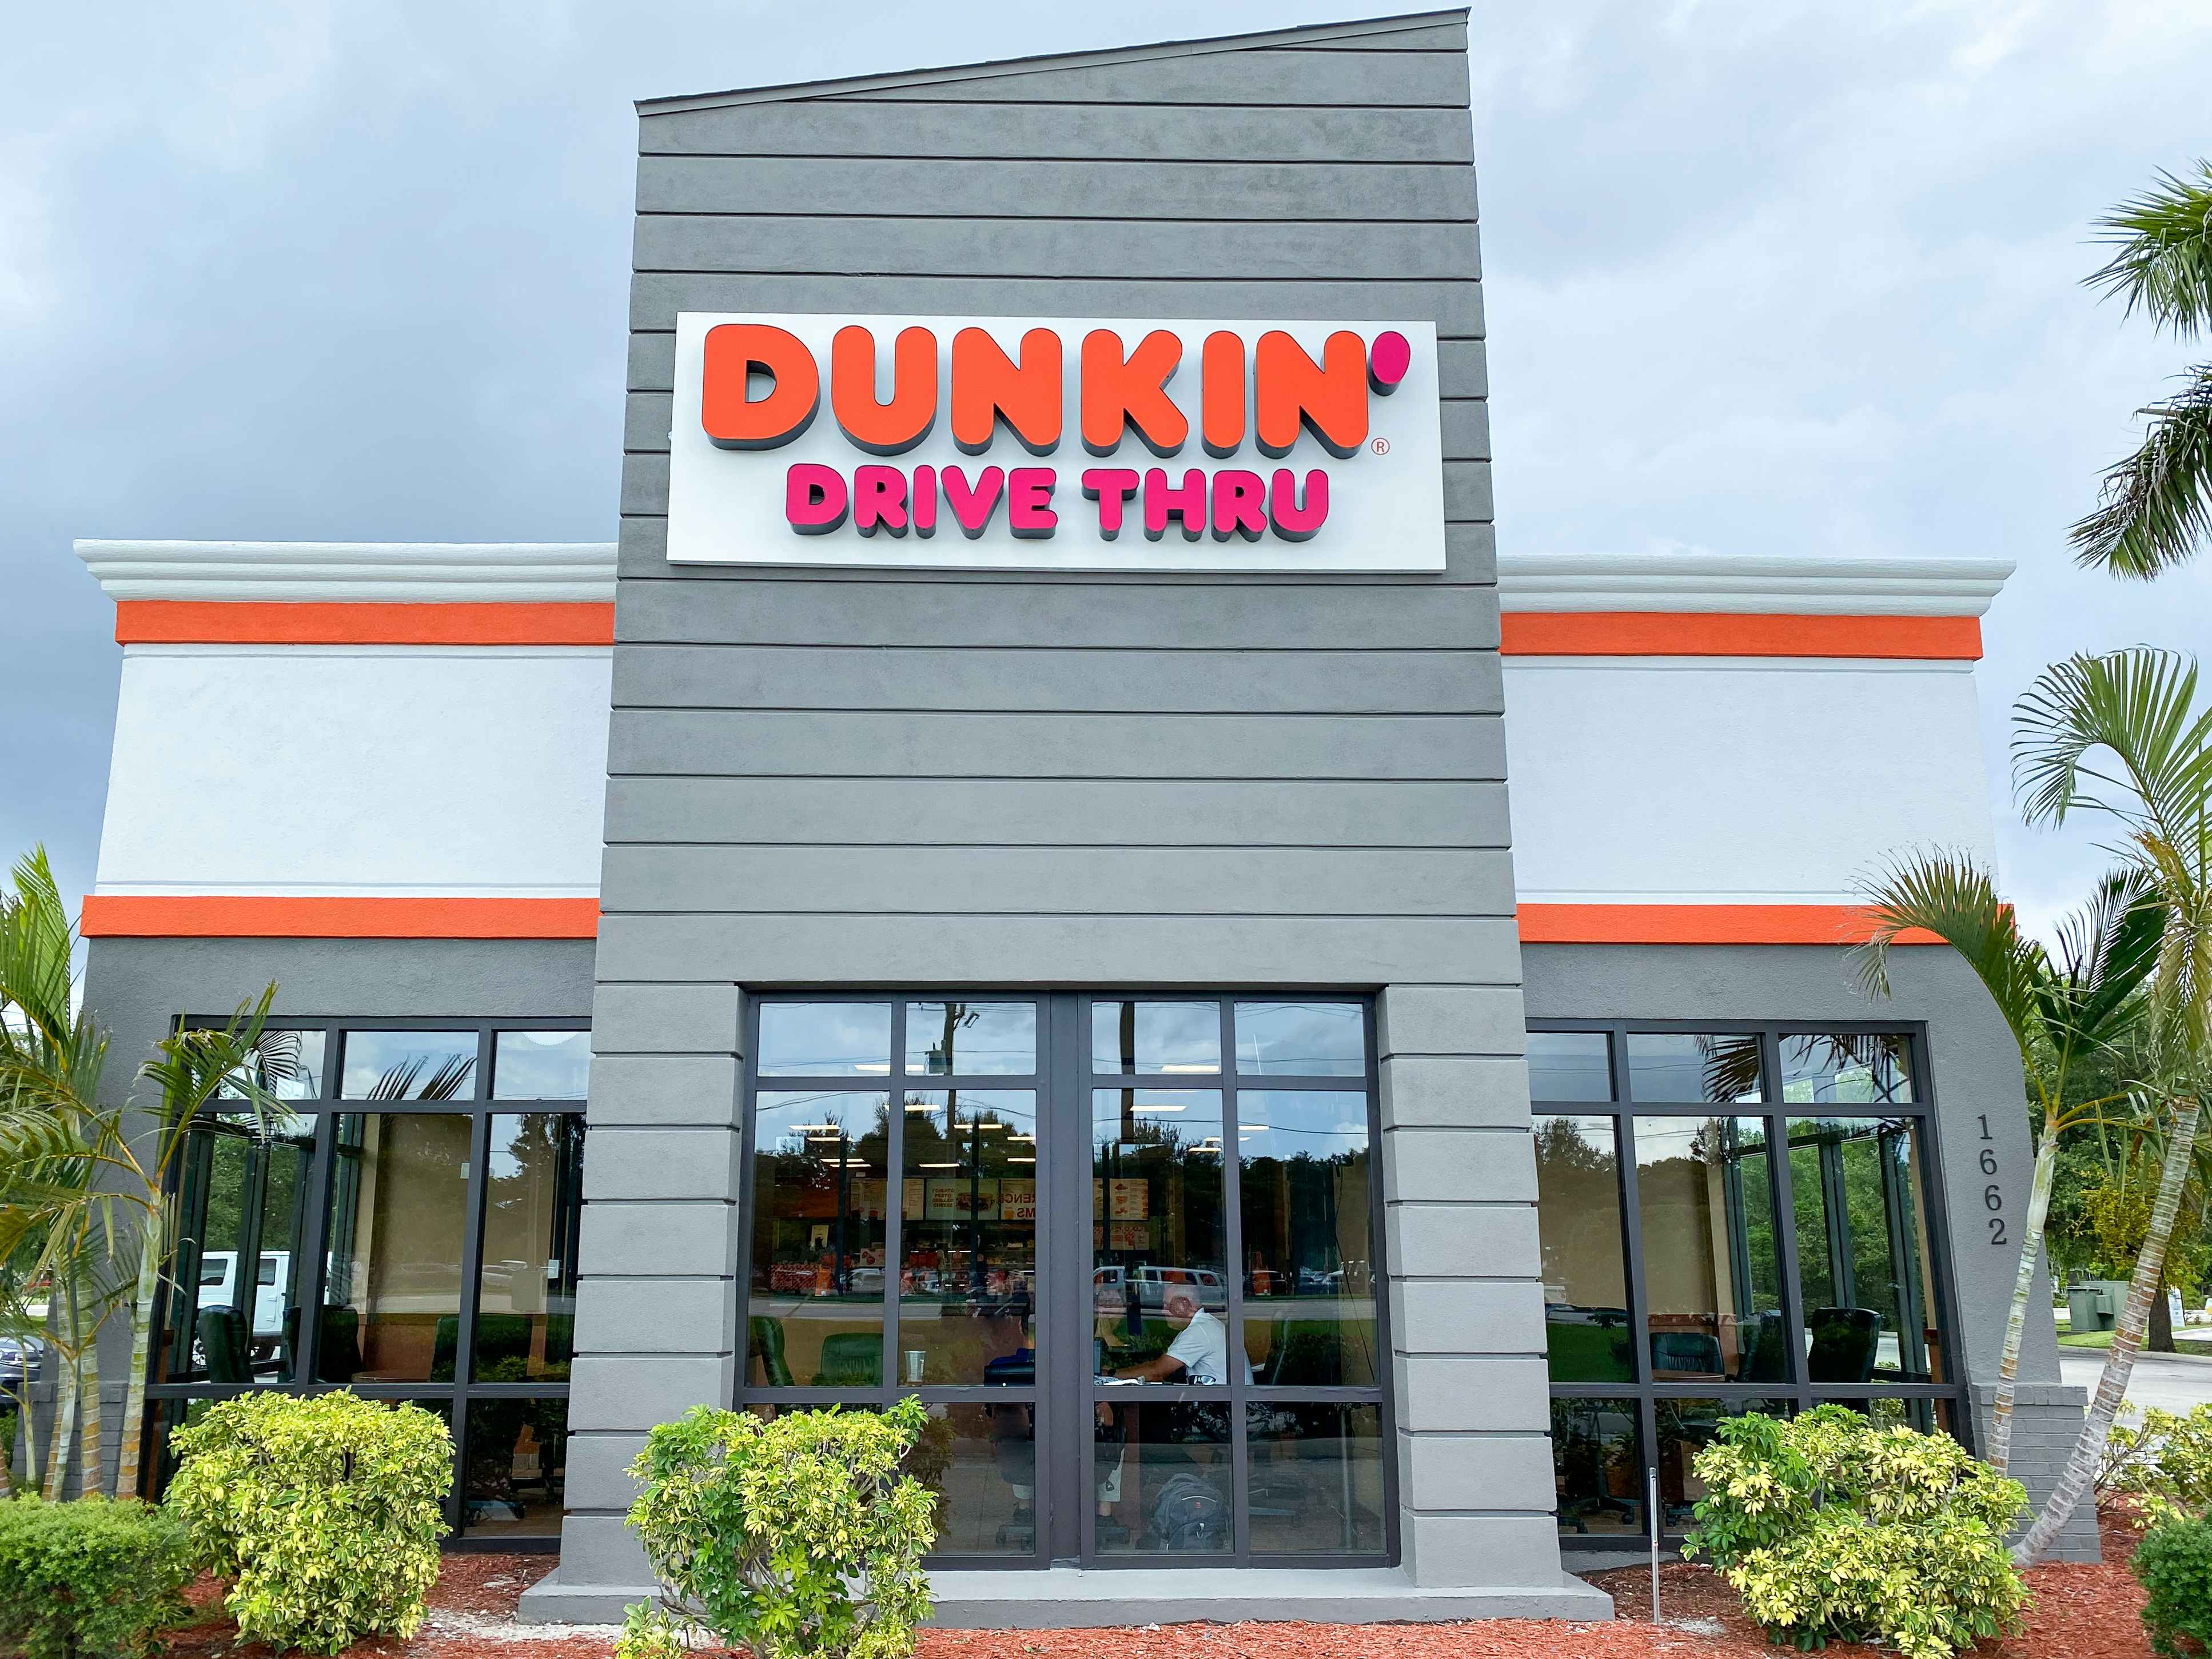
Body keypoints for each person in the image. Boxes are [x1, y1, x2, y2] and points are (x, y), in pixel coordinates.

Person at [1114, 1287, 1252, 1386]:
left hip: (1225, 1413)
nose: (1163, 1311)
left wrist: (1111, 1375)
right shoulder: (1200, 1326)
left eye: (1168, 1305)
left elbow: (1156, 1372)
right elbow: (1160, 1365)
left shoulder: (1199, 1331)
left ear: (1185, 1305)